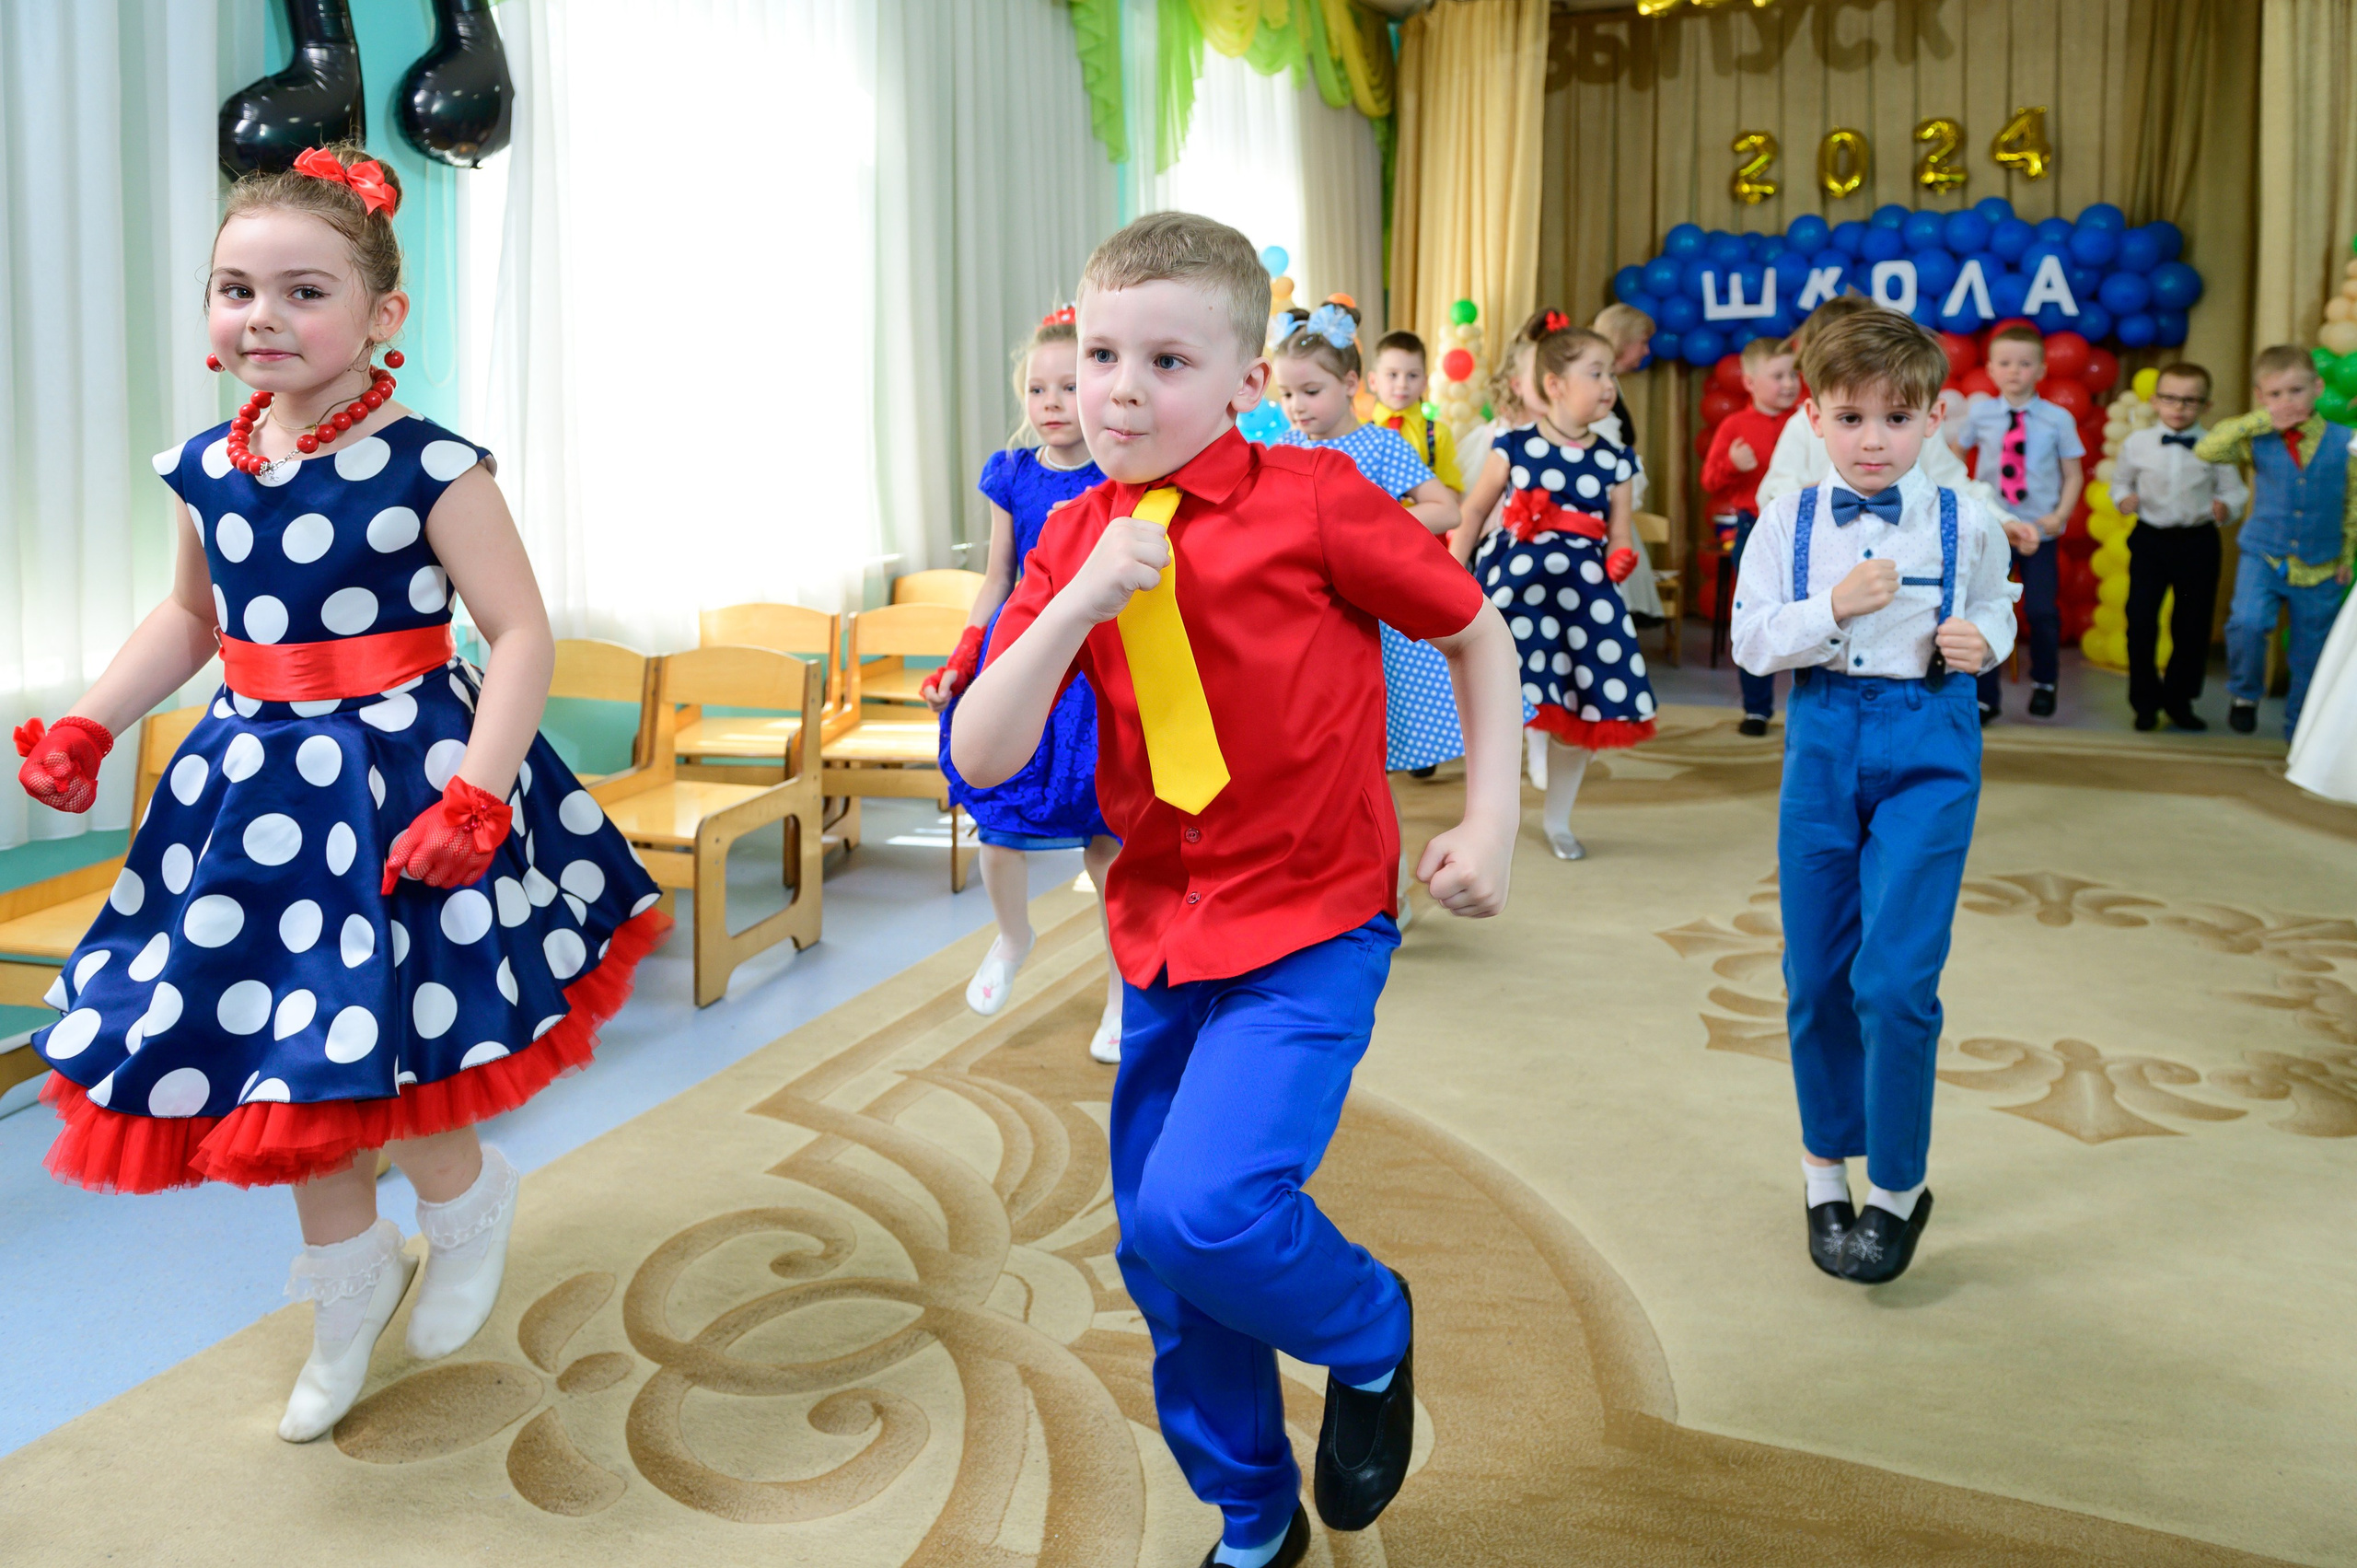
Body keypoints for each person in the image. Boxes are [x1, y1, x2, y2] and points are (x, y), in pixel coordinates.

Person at [11, 145, 668, 1441]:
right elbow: (193, 617)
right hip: (252, 800)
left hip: (409, 789)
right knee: (287, 1065)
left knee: (403, 1042)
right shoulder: (205, 464)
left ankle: (463, 1194)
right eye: (234, 288)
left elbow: (520, 631)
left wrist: (479, 797)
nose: (263, 317)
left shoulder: (434, 464)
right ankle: (347, 1282)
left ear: (382, 316)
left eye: (303, 291)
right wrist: (93, 718)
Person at [950, 210, 1522, 1568]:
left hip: (1314, 919)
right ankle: (1254, 1516)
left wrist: (1490, 817)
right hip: (1160, 930)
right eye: (1100, 355)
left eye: (1166, 360)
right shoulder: (1074, 533)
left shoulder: (1316, 497)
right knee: (1163, 1255)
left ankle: (1371, 1326)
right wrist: (1077, 601)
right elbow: (984, 751)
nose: (1122, 390)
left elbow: (1474, 628)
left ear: (1247, 386)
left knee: (1209, 1206)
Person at [1732, 307, 2020, 1286]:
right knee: (1815, 974)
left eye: (1895, 421)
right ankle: (1824, 1170)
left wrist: (1987, 642)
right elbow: (1751, 638)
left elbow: (1994, 599)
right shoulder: (1790, 518)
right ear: (1812, 416)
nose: (1871, 441)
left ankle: (1896, 1188)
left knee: (1894, 981)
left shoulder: (1964, 515)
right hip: (1821, 737)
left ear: (1932, 419)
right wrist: (1830, 610)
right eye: (1849, 418)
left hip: (1930, 742)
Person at [923, 308, 1123, 1061]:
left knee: (1109, 849)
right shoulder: (1014, 477)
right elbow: (997, 579)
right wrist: (964, 659)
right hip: (1023, 661)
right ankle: (1013, 937)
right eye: (1037, 387)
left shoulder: (1118, 477)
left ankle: (1121, 995)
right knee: (999, 829)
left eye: (1069, 386)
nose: (1049, 400)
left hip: (1096, 673)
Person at [1457, 311, 1657, 862]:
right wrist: (1453, 573)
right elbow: (1474, 512)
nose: (1609, 386)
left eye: (1612, 375)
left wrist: (1619, 557)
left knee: (1582, 707)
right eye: (1596, 373)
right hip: (1518, 590)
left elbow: (1618, 532)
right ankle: (1488, 820)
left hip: (1582, 598)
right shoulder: (1515, 446)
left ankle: (1558, 819)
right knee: (1499, 705)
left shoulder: (1616, 462)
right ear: (1555, 384)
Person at [2197, 344, 2357, 738]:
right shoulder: (2258, 437)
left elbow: (2353, 502)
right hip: (2263, 553)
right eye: (2275, 394)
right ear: (2261, 397)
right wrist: (2261, 419)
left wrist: (2348, 555)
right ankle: (2245, 694)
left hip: (2321, 560)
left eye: (2296, 391)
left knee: (2310, 654)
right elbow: (2208, 448)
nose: (2287, 401)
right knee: (2247, 623)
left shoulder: (2345, 440)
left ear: (2318, 387)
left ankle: (2298, 733)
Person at [1950, 324, 2084, 723]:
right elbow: (1956, 459)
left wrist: (2059, 516)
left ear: (2041, 370)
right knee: (1984, 608)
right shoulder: (1981, 413)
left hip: (2038, 530)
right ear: (1990, 370)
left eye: (2024, 364)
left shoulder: (2058, 418)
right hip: (1993, 530)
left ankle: (2044, 682)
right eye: (2005, 364)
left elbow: (2073, 474)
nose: (2014, 372)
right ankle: (1985, 696)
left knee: (2041, 611)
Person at [2109, 362, 2247, 731]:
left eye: (2190, 400)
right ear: (2155, 401)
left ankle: (2180, 701)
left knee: (2191, 626)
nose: (2179, 407)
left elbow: (2236, 492)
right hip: (2150, 539)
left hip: (2197, 542)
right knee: (2140, 622)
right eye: (2170, 398)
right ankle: (2144, 702)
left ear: (2206, 405)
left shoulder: (2216, 446)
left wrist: (2227, 508)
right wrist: (2123, 499)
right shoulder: (2137, 443)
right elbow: (2119, 483)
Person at [1701, 335, 1801, 735]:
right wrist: (1732, 464)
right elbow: (1709, 481)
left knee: (1808, 612)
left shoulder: (1806, 420)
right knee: (1756, 615)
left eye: (1793, 373)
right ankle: (1757, 708)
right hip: (1754, 528)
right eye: (1778, 376)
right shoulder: (1735, 425)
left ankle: (1809, 706)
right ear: (1750, 382)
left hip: (1802, 527)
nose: (1789, 383)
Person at [1363, 328, 1465, 493]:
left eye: (1412, 375)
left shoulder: (1438, 434)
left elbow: (1452, 493)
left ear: (1424, 383)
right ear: (1373, 381)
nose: (1402, 384)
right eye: (1392, 375)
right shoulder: (1360, 432)